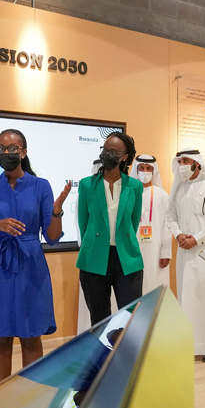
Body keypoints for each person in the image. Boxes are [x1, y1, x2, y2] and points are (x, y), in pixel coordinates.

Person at [0, 129, 71, 384]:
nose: (6, 152)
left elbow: (52, 237)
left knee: (31, 336)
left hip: (31, 265)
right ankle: (1, 397)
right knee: (1, 337)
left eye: (12, 148)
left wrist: (57, 212)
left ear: (23, 152)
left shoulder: (41, 186)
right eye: (1, 148)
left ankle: (32, 394)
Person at [165, 148, 205, 362]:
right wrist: (178, 234)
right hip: (185, 253)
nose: (182, 165)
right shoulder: (179, 188)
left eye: (186, 161)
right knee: (190, 299)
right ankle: (192, 345)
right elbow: (170, 215)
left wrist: (198, 238)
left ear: (197, 163)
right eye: (180, 161)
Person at [76, 131, 145, 325]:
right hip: (95, 258)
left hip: (126, 258)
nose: (107, 155)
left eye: (114, 152)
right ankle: (101, 347)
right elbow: (83, 223)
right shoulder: (87, 185)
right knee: (99, 319)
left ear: (125, 156)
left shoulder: (134, 186)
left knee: (130, 318)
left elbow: (133, 222)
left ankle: (126, 347)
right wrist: (93, 245)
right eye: (105, 150)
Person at [133, 154, 172, 294]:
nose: (145, 171)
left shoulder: (162, 195)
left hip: (155, 248)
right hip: (133, 247)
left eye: (148, 168)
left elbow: (167, 225)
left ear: (153, 171)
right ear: (136, 170)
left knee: (155, 283)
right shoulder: (129, 193)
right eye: (141, 168)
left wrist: (165, 252)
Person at [76, 159, 106, 334]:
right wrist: (88, 247)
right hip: (91, 254)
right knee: (97, 309)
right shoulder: (86, 187)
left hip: (117, 254)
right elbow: (82, 222)